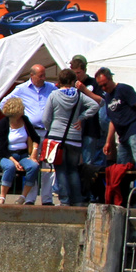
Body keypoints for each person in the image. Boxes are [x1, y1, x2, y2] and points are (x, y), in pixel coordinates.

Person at [97, 67, 136, 193]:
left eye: (105, 84)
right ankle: (123, 195)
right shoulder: (107, 97)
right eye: (100, 86)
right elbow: (112, 121)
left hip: (134, 129)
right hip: (123, 136)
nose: (103, 88)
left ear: (110, 79)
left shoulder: (123, 89)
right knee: (121, 166)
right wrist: (108, 141)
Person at [41, 69, 95, 206]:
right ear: (73, 81)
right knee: (73, 170)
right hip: (75, 139)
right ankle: (77, 200)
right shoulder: (79, 95)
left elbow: (45, 118)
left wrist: (51, 128)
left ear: (59, 82)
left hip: (56, 138)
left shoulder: (54, 95)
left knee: (60, 170)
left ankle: (64, 201)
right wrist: (82, 117)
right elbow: (95, 105)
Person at [0, 96, 43, 205]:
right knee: (9, 166)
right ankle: (2, 197)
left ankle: (23, 196)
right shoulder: (3, 123)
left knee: (34, 166)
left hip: (23, 154)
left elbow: (36, 138)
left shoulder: (25, 120)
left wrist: (34, 154)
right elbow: (2, 148)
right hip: (6, 155)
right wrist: (14, 162)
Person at [0, 64, 56, 132]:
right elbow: (3, 103)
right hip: (31, 131)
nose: (43, 78)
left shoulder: (51, 87)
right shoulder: (21, 89)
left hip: (49, 131)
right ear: (32, 75)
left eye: (44, 75)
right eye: (40, 76)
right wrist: (15, 119)